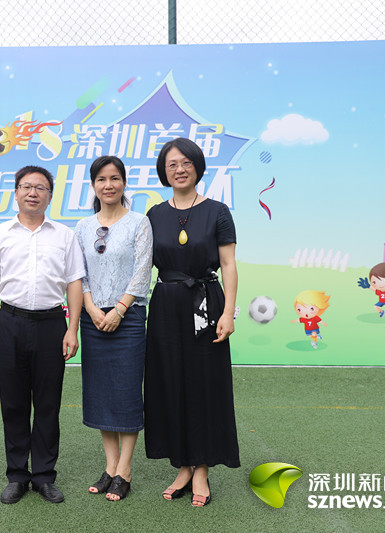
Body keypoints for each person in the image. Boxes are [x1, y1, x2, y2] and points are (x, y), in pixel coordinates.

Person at [0, 165, 85, 505]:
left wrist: (72, 329)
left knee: (48, 403)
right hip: (10, 324)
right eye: (26, 186)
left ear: (50, 195)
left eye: (40, 187)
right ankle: (17, 475)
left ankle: (44, 476)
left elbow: (74, 282)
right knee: (14, 403)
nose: (33, 192)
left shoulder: (64, 236)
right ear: (16, 193)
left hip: (52, 325)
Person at [144, 137, 240, 508]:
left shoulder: (217, 211)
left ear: (198, 166)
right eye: (172, 164)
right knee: (170, 383)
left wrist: (228, 312)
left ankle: (202, 469)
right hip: (166, 306)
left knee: (205, 385)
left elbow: (228, 264)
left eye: (186, 162)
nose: (179, 169)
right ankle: (183, 465)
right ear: (163, 172)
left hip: (206, 304)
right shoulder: (154, 214)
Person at [74, 155, 153, 501]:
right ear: (94, 185)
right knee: (101, 392)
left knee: (126, 391)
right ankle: (109, 467)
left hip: (128, 317)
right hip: (93, 319)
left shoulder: (139, 222)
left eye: (115, 178)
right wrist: (91, 308)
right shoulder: (82, 227)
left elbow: (143, 270)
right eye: (102, 179)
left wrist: (119, 310)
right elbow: (78, 274)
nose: (109, 185)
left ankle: (125, 469)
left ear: (124, 183)